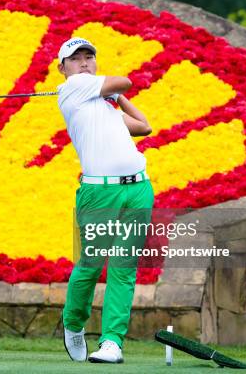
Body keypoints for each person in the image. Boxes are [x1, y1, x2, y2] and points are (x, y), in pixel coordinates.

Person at [57, 37, 154, 363]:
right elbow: (125, 79)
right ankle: (73, 323)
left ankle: (112, 342)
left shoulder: (102, 106)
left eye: (89, 57)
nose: (84, 62)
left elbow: (144, 127)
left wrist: (119, 99)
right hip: (101, 193)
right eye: (76, 58)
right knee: (91, 264)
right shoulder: (73, 89)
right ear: (63, 69)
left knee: (124, 269)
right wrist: (117, 89)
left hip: (138, 189)